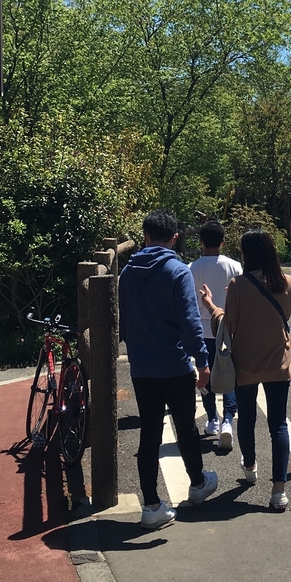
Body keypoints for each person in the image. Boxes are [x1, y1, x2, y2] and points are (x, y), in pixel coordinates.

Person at [119, 209, 219, 530]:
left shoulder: (126, 273)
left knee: (149, 433)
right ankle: (198, 483)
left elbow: (123, 323)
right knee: (186, 426)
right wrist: (202, 361)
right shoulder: (177, 271)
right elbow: (190, 322)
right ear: (175, 238)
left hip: (142, 368)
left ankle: (151, 505)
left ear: (145, 236)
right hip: (175, 365)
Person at [200, 229, 291, 512]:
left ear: (247, 254)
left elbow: (227, 325)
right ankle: (278, 490)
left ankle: (251, 466)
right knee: (278, 424)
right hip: (278, 361)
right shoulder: (287, 282)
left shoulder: (238, 285)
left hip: (245, 363)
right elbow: (284, 317)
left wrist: (212, 305)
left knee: (247, 417)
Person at [189, 219, 241, 449]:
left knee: (205, 374)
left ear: (201, 241)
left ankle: (212, 419)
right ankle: (228, 419)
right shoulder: (235, 266)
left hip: (202, 329)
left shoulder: (192, 268)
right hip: (228, 328)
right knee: (229, 375)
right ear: (223, 242)